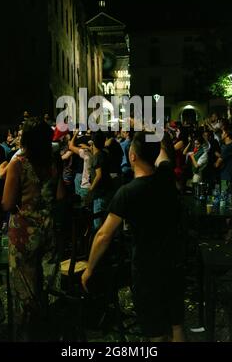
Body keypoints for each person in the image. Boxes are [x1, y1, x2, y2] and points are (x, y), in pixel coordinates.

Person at [82, 131, 185, 342]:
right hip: (174, 263)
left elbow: (103, 235)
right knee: (176, 327)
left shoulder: (127, 193)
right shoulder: (166, 176)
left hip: (147, 271)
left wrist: (90, 269)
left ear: (132, 157)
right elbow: (164, 153)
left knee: (156, 333)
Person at [2, 118, 65, 341]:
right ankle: (48, 331)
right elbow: (60, 196)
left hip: (23, 234)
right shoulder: (53, 161)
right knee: (46, 286)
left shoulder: (18, 163)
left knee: (24, 289)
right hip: (48, 229)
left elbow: (8, 204)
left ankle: (26, 335)